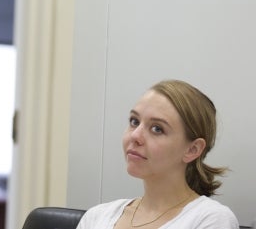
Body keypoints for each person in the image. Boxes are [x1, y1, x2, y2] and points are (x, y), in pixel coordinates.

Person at [76, 79, 239, 229]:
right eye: (134, 121)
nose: (135, 136)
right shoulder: (96, 217)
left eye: (157, 129)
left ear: (192, 150)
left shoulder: (211, 220)